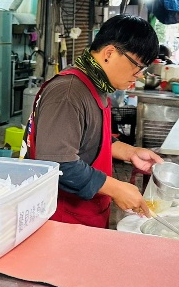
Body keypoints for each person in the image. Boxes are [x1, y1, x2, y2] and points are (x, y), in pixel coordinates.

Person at [21, 15, 163, 228]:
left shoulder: (97, 87)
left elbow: (89, 137)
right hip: (59, 220)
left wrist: (130, 152)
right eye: (137, 66)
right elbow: (57, 163)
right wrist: (116, 188)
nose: (139, 76)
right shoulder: (68, 92)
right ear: (109, 53)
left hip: (85, 216)